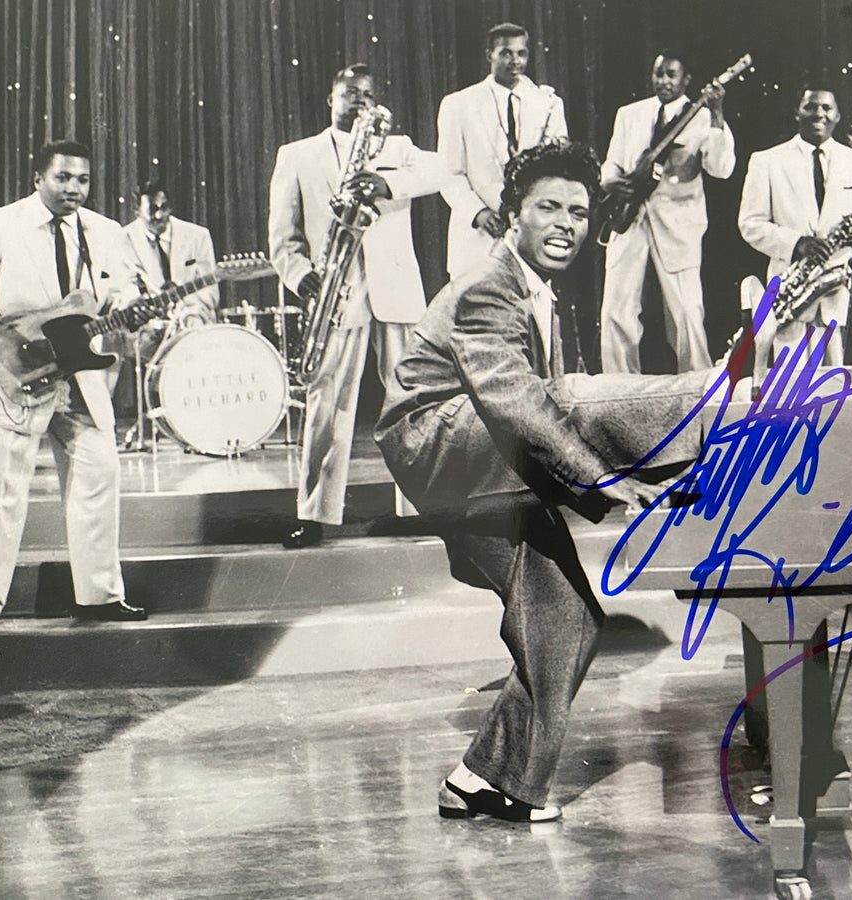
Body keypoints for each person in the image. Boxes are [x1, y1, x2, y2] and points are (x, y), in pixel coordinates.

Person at [375, 141, 712, 822]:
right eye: (548, 208)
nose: (566, 224)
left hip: (495, 463)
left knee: (567, 622)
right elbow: (520, 405)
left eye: (579, 213)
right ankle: (719, 406)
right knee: (569, 397)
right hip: (442, 447)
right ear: (512, 216)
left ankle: (486, 780)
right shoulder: (487, 287)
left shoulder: (541, 293)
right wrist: (604, 482)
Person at [0, 140, 148, 632]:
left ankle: (98, 594)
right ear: (39, 178)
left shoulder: (107, 231)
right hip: (18, 370)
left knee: (99, 479)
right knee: (0, 491)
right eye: (63, 178)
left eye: (82, 179)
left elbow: (124, 288)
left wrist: (131, 304)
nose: (74, 188)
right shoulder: (1, 222)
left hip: (82, 376)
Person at [269, 63, 447, 548]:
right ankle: (315, 513)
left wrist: (388, 184)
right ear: (332, 98)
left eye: (367, 95)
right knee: (327, 401)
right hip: (335, 290)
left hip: (395, 287)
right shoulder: (298, 154)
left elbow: (445, 167)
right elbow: (282, 238)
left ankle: (418, 509)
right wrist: (303, 278)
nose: (359, 102)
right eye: (350, 93)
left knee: (410, 398)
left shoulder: (400, 149)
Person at [600, 50, 735, 374]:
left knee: (687, 311)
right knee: (616, 308)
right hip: (630, 219)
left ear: (686, 80)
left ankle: (697, 385)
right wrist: (613, 183)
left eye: (671, 75)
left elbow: (721, 168)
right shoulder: (629, 114)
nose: (663, 81)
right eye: (659, 74)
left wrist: (717, 115)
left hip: (679, 225)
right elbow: (610, 165)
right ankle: (617, 386)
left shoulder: (702, 117)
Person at [737, 85, 852, 391]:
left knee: (839, 396)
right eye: (810, 107)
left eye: (826, 108)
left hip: (838, 297)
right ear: (797, 112)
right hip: (789, 295)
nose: (819, 114)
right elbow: (750, 224)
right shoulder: (766, 161)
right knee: (789, 393)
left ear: (838, 116)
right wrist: (797, 243)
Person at [437, 21, 568, 280]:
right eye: (506, 53)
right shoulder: (458, 104)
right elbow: (449, 174)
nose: (515, 61)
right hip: (477, 237)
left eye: (521, 53)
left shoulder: (548, 104)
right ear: (490, 55)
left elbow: (555, 170)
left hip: (529, 235)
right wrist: (480, 213)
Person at [116, 182, 218, 426]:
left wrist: (182, 305)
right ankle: (160, 414)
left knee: (191, 329)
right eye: (152, 210)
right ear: (137, 211)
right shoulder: (123, 238)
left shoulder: (198, 236)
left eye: (164, 208)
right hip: (150, 325)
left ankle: (194, 415)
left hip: (190, 321)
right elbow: (124, 286)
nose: (159, 216)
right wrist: (141, 304)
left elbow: (210, 293)